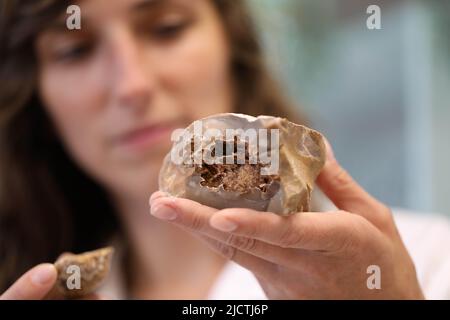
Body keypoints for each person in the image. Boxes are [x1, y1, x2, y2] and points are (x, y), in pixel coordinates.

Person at [0, 0, 449, 300]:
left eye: (167, 28)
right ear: (36, 97)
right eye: (76, 50)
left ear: (232, 48)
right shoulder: (48, 284)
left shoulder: (431, 260)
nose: (132, 85)